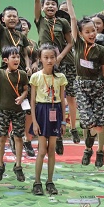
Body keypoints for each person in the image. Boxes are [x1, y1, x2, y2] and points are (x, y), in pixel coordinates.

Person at [63, 0, 104, 168]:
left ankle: (98, 151)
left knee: (100, 124)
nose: (92, 33)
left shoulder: (101, 49)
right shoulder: (77, 44)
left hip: (99, 87)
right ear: (81, 33)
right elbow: (73, 18)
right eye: (88, 31)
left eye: (94, 30)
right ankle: (88, 147)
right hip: (82, 86)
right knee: (87, 122)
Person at [34, 0, 77, 146]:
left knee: (66, 97)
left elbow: (70, 42)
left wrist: (60, 57)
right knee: (47, 98)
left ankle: (67, 129)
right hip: (46, 64)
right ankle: (48, 132)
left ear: (57, 7)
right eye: (47, 4)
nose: (50, 6)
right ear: (43, 7)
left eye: (53, 4)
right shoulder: (40, 20)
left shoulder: (62, 22)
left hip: (64, 63)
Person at [0, 0, 30, 154]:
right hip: (7, 74)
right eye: (9, 16)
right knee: (7, 106)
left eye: (15, 16)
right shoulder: (2, 31)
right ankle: (3, 137)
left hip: (21, 74)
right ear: (3, 19)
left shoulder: (21, 35)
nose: (12, 18)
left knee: (23, 106)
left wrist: (27, 66)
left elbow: (26, 54)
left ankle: (17, 136)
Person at [0, 47, 29, 182]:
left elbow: (26, 90)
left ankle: (18, 166)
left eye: (18, 57)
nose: (16, 59)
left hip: (18, 111)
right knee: (2, 137)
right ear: (5, 60)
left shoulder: (22, 74)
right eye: (13, 57)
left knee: (18, 137)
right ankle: (0, 165)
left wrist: (22, 97)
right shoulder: (0, 73)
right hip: (3, 111)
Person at [29, 44, 68, 196]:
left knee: (51, 149)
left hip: (55, 112)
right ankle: (37, 182)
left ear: (56, 58)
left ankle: (50, 182)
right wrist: (34, 121)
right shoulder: (35, 77)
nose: (49, 60)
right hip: (41, 112)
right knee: (42, 150)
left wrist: (63, 121)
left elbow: (63, 100)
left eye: (52, 57)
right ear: (40, 59)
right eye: (46, 57)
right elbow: (33, 101)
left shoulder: (61, 77)